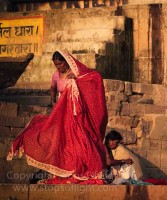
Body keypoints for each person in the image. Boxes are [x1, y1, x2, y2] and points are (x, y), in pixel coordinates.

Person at [7, 51, 108, 183]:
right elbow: (53, 89)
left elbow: (95, 78)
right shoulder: (56, 75)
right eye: (56, 64)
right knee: (57, 139)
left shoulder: (77, 73)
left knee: (80, 142)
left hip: (77, 114)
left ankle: (80, 170)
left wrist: (76, 79)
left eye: (60, 64)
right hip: (62, 109)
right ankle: (64, 171)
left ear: (66, 61)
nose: (58, 67)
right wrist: (54, 101)